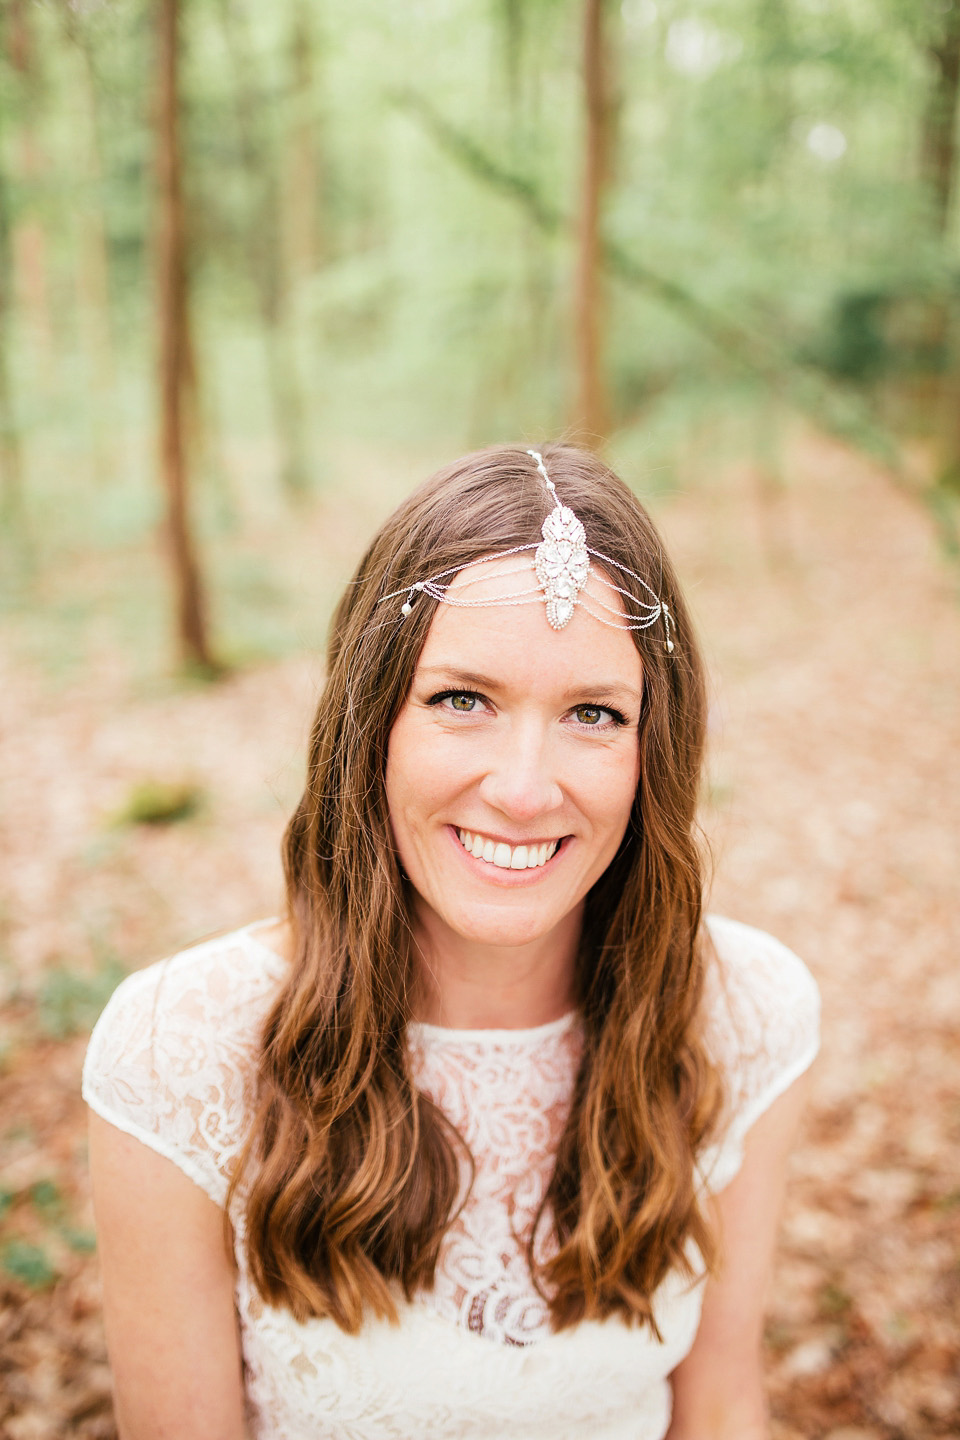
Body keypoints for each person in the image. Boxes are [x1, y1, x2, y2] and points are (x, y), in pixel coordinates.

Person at [83, 443, 819, 1440]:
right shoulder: (179, 1049)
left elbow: (724, 1409)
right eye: (461, 700)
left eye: (594, 713)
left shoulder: (743, 1015)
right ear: (372, 719)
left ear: (655, 749)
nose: (523, 788)